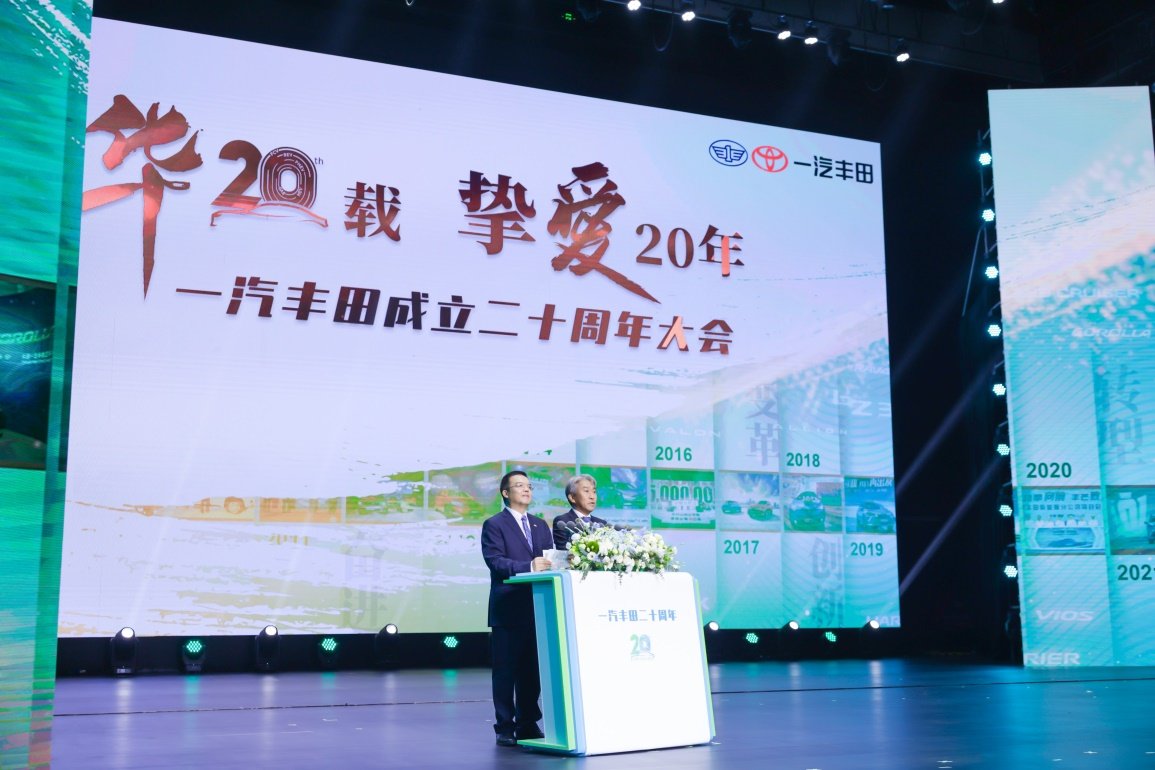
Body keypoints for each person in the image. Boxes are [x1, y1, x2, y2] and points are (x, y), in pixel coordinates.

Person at [480, 469, 553, 747]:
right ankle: (505, 726)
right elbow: (495, 561)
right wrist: (529, 566)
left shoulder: (540, 525)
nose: (526, 490)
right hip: (508, 608)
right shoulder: (494, 524)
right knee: (505, 671)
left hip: (537, 607)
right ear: (505, 493)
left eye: (529, 486)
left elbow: (550, 559)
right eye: (519, 485)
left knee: (531, 671)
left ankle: (527, 722)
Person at [552, 473, 609, 550]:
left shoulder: (602, 524)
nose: (592, 496)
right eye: (586, 491)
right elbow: (564, 551)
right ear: (572, 497)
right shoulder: (563, 522)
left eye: (594, 491)